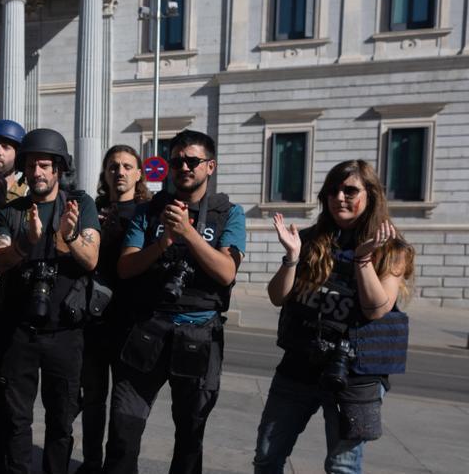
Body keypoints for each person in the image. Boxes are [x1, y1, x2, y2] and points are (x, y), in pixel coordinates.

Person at [253, 160, 414, 474]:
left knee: (342, 467)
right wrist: (292, 258)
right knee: (267, 457)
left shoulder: (391, 249)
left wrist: (364, 258)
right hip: (299, 365)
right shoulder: (311, 239)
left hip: (355, 374)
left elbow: (376, 308)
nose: (340, 197)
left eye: (350, 190)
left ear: (370, 196)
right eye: (332, 191)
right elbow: (277, 296)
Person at [104, 129, 246, 474]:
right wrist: (163, 243)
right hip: (146, 332)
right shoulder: (149, 211)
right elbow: (125, 267)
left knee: (189, 439)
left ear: (209, 166)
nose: (184, 166)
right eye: (177, 160)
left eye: (192, 161)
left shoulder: (229, 213)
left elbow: (226, 272)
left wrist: (188, 233)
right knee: (123, 433)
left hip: (198, 337)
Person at [0, 128, 101, 474]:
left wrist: (69, 236)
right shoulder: (12, 212)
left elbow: (92, 259)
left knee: (62, 421)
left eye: (44, 165)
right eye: (31, 165)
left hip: (65, 334)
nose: (37, 172)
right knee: (15, 420)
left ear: (58, 169)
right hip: (19, 332)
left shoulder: (80, 205)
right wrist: (25, 242)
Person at [79, 145, 149, 474]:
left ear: (138, 173)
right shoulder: (93, 212)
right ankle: (91, 464)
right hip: (94, 325)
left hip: (131, 326)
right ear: (105, 173)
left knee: (125, 411)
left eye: (126, 166)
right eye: (113, 166)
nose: (119, 172)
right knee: (92, 402)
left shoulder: (149, 213)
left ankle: (118, 467)